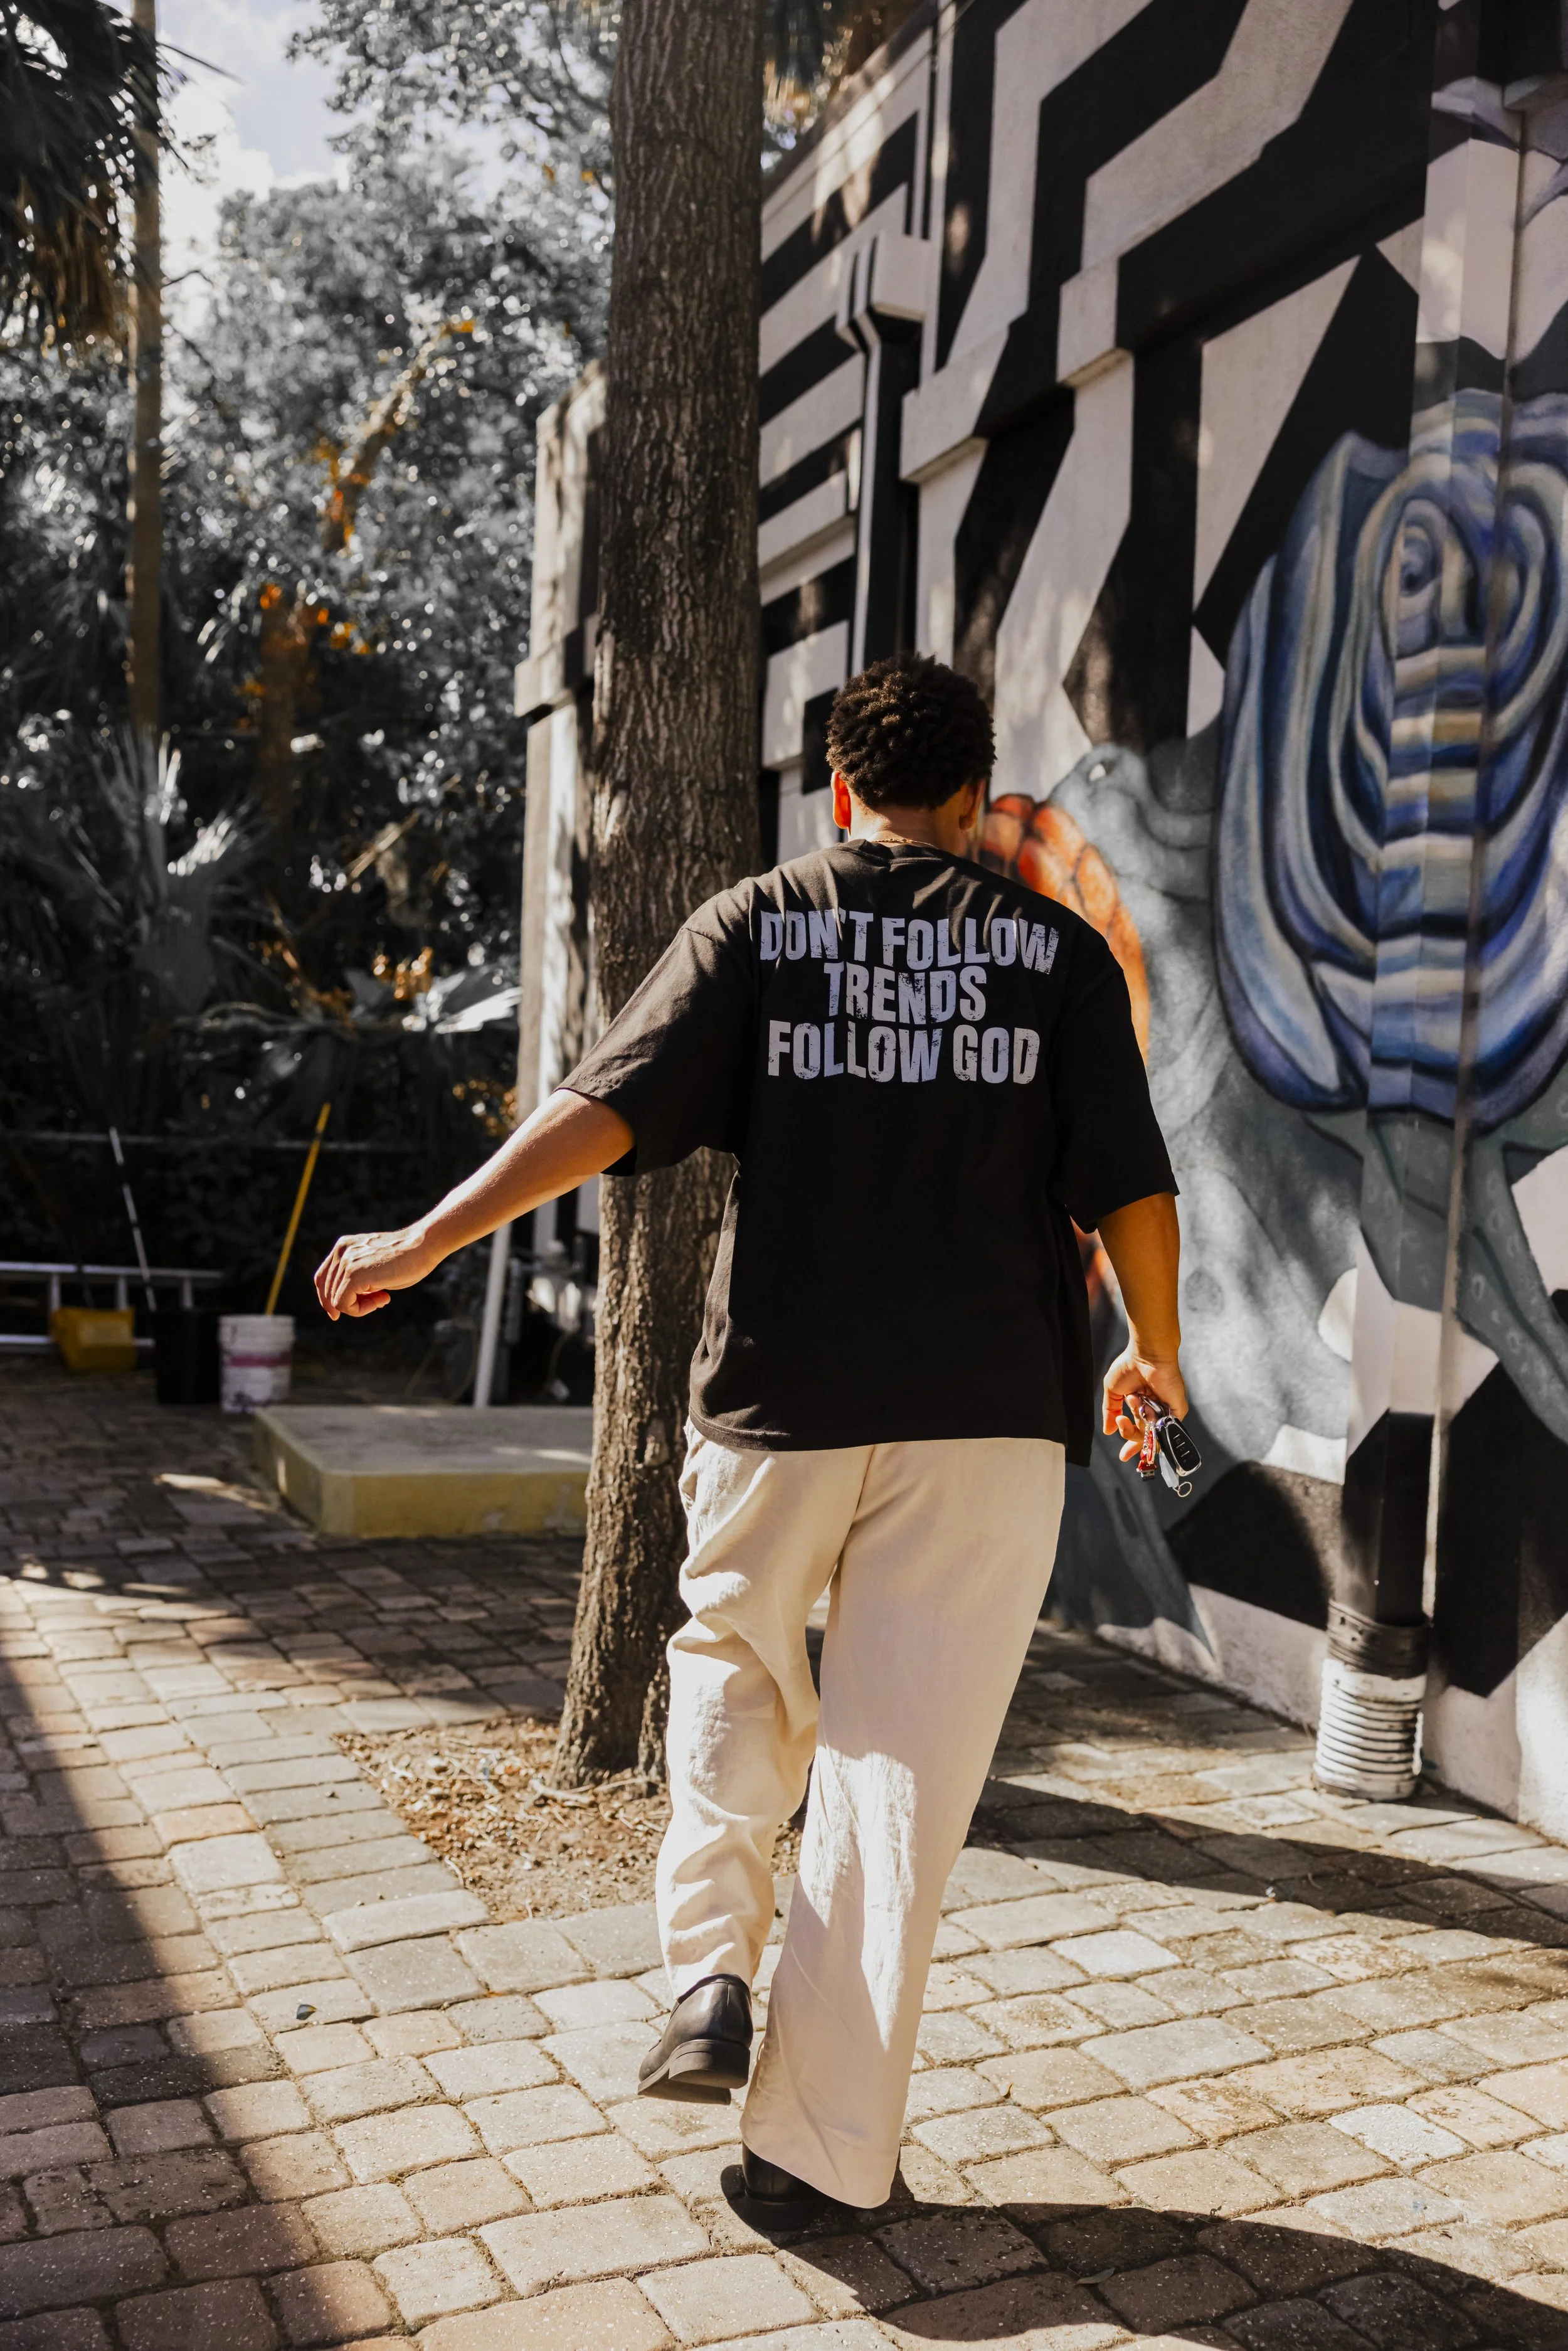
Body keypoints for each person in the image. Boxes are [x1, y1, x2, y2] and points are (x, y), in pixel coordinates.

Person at [315, 651, 1186, 2232]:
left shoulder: (759, 920)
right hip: (987, 1415)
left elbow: (605, 1104)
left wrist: (430, 1239)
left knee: (730, 1657)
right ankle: (819, 2154)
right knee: (896, 1781)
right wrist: (1156, 1349)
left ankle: (709, 1967)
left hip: (783, 1395)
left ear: (839, 789)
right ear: (983, 799)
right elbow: (1129, 1176)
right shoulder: (1052, 954)